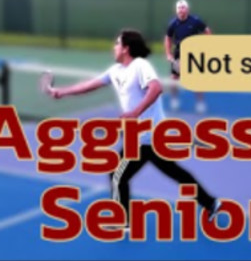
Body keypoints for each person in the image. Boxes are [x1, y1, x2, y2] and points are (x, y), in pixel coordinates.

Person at [45, 29, 221, 229]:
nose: (114, 47)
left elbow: (155, 88)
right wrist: (61, 92)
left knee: (117, 175)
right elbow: (89, 85)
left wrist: (136, 112)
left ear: (126, 48)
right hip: (147, 137)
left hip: (147, 136)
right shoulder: (115, 71)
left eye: (117, 44)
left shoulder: (140, 65)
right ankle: (211, 202)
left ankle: (122, 220)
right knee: (174, 173)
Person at [164, 0, 212, 113]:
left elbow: (207, 31)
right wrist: (168, 53)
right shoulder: (173, 23)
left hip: (193, 54)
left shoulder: (195, 21)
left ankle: (200, 103)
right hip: (178, 53)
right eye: (179, 8)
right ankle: (174, 101)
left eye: (183, 7)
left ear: (187, 9)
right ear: (176, 10)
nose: (181, 10)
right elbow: (168, 38)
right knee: (174, 78)